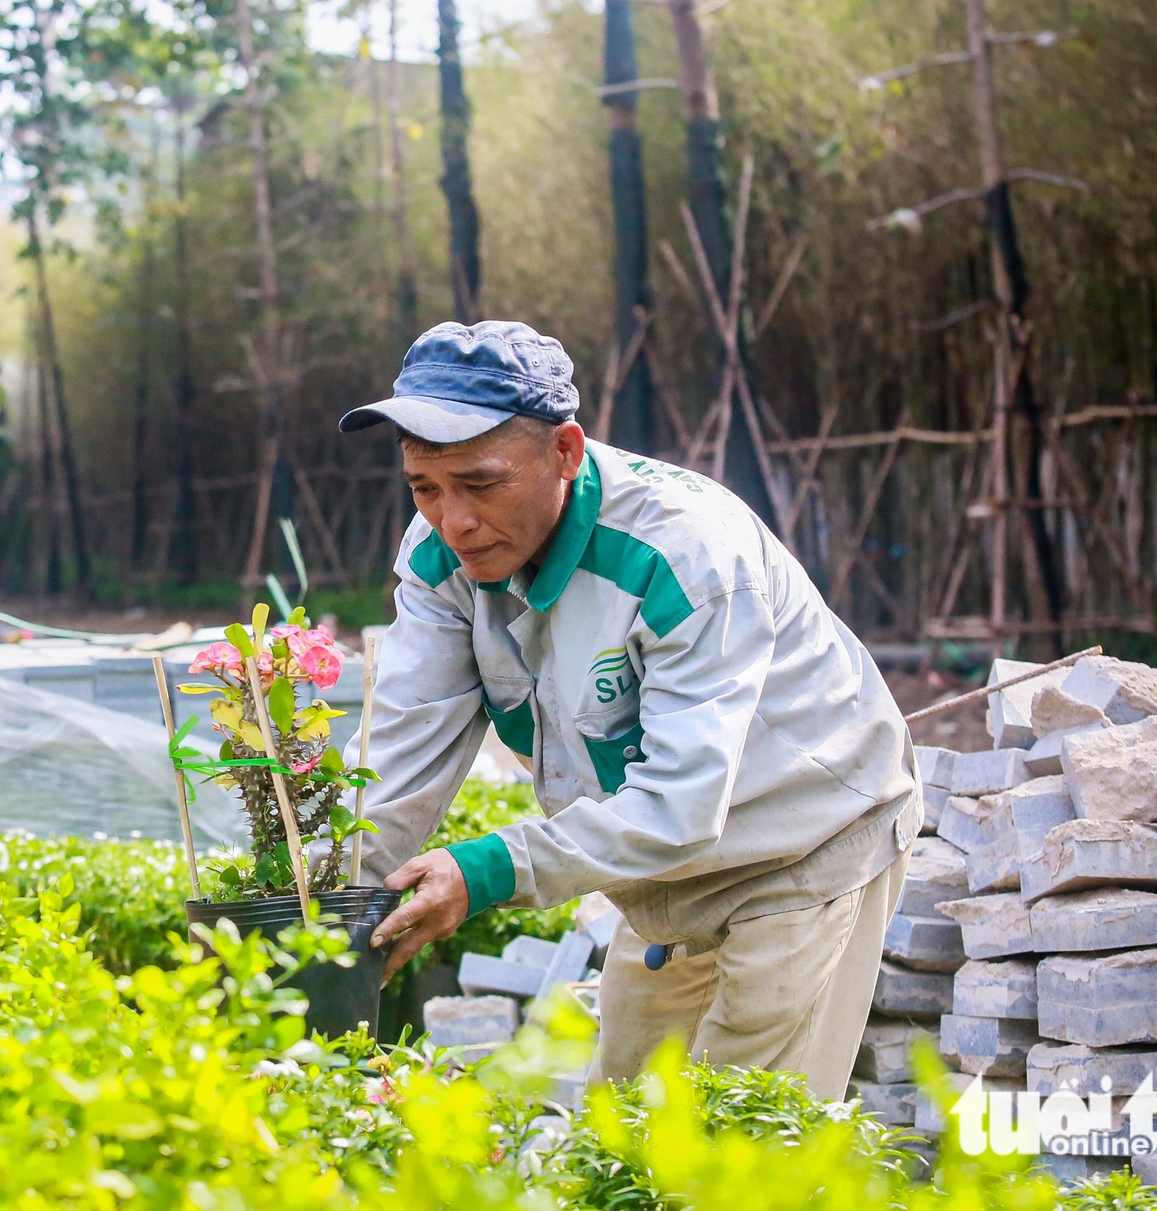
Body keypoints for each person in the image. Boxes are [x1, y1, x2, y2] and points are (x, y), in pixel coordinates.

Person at [343, 319, 920, 1100]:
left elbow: (681, 805)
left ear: (565, 452)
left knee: (740, 1148)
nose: (454, 520)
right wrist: (336, 908)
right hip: (664, 877)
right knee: (621, 1132)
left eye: (479, 484)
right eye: (426, 488)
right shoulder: (444, 555)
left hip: (802, 847)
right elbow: (402, 753)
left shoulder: (687, 556)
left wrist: (484, 871)